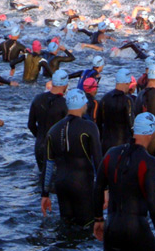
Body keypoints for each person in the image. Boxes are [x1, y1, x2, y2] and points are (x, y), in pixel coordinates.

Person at [93, 112, 155, 251]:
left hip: (111, 227)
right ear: (151, 133)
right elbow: (152, 200)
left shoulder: (111, 153)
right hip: (136, 228)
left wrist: (98, 219)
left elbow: (98, 187)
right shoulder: (149, 161)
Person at [41, 89, 102, 226]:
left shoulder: (53, 130)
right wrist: (105, 189)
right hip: (82, 184)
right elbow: (98, 161)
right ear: (83, 105)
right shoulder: (89, 127)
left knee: (66, 226)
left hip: (61, 185)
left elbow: (48, 165)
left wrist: (44, 194)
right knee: (87, 227)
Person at [28, 69, 69, 173]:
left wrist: (40, 136)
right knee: (56, 180)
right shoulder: (65, 103)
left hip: (40, 145)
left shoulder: (37, 99)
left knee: (41, 178)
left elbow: (30, 125)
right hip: (56, 147)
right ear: (65, 85)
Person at [96, 68, 135, 154]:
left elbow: (98, 123)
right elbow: (131, 125)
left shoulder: (104, 98)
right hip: (122, 145)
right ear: (127, 83)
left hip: (106, 145)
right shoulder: (127, 100)